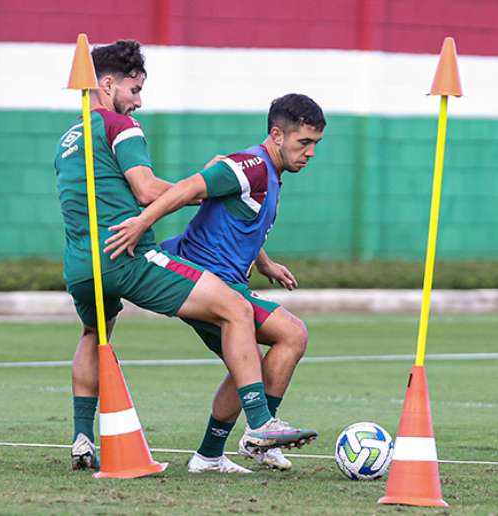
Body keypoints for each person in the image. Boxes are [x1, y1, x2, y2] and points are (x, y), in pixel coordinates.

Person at [54, 40, 317, 471]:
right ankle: (260, 428)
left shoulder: (67, 138)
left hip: (79, 263)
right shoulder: (121, 127)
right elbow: (144, 188)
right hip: (126, 254)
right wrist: (203, 188)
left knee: (93, 335)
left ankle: (83, 436)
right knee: (237, 310)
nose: (138, 102)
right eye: (134, 90)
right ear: (107, 84)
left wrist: (263, 260)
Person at [103, 93, 326, 473]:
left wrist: (265, 262)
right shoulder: (249, 165)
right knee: (293, 334)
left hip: (226, 282)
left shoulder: (269, 175)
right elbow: (190, 188)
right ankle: (261, 433)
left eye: (315, 144)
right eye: (303, 142)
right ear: (276, 135)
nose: (310, 153)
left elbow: (236, 216)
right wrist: (142, 223)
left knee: (249, 365)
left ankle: (209, 455)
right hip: (202, 279)